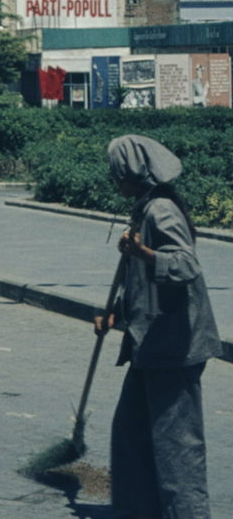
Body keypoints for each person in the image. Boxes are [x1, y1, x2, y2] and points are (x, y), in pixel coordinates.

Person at [96, 135, 222, 518]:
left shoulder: (161, 210)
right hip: (150, 345)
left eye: (116, 175)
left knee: (176, 446)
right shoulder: (143, 209)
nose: (113, 182)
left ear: (131, 173)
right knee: (131, 435)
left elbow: (185, 265)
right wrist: (116, 311)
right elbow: (142, 283)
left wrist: (144, 252)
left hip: (174, 348)